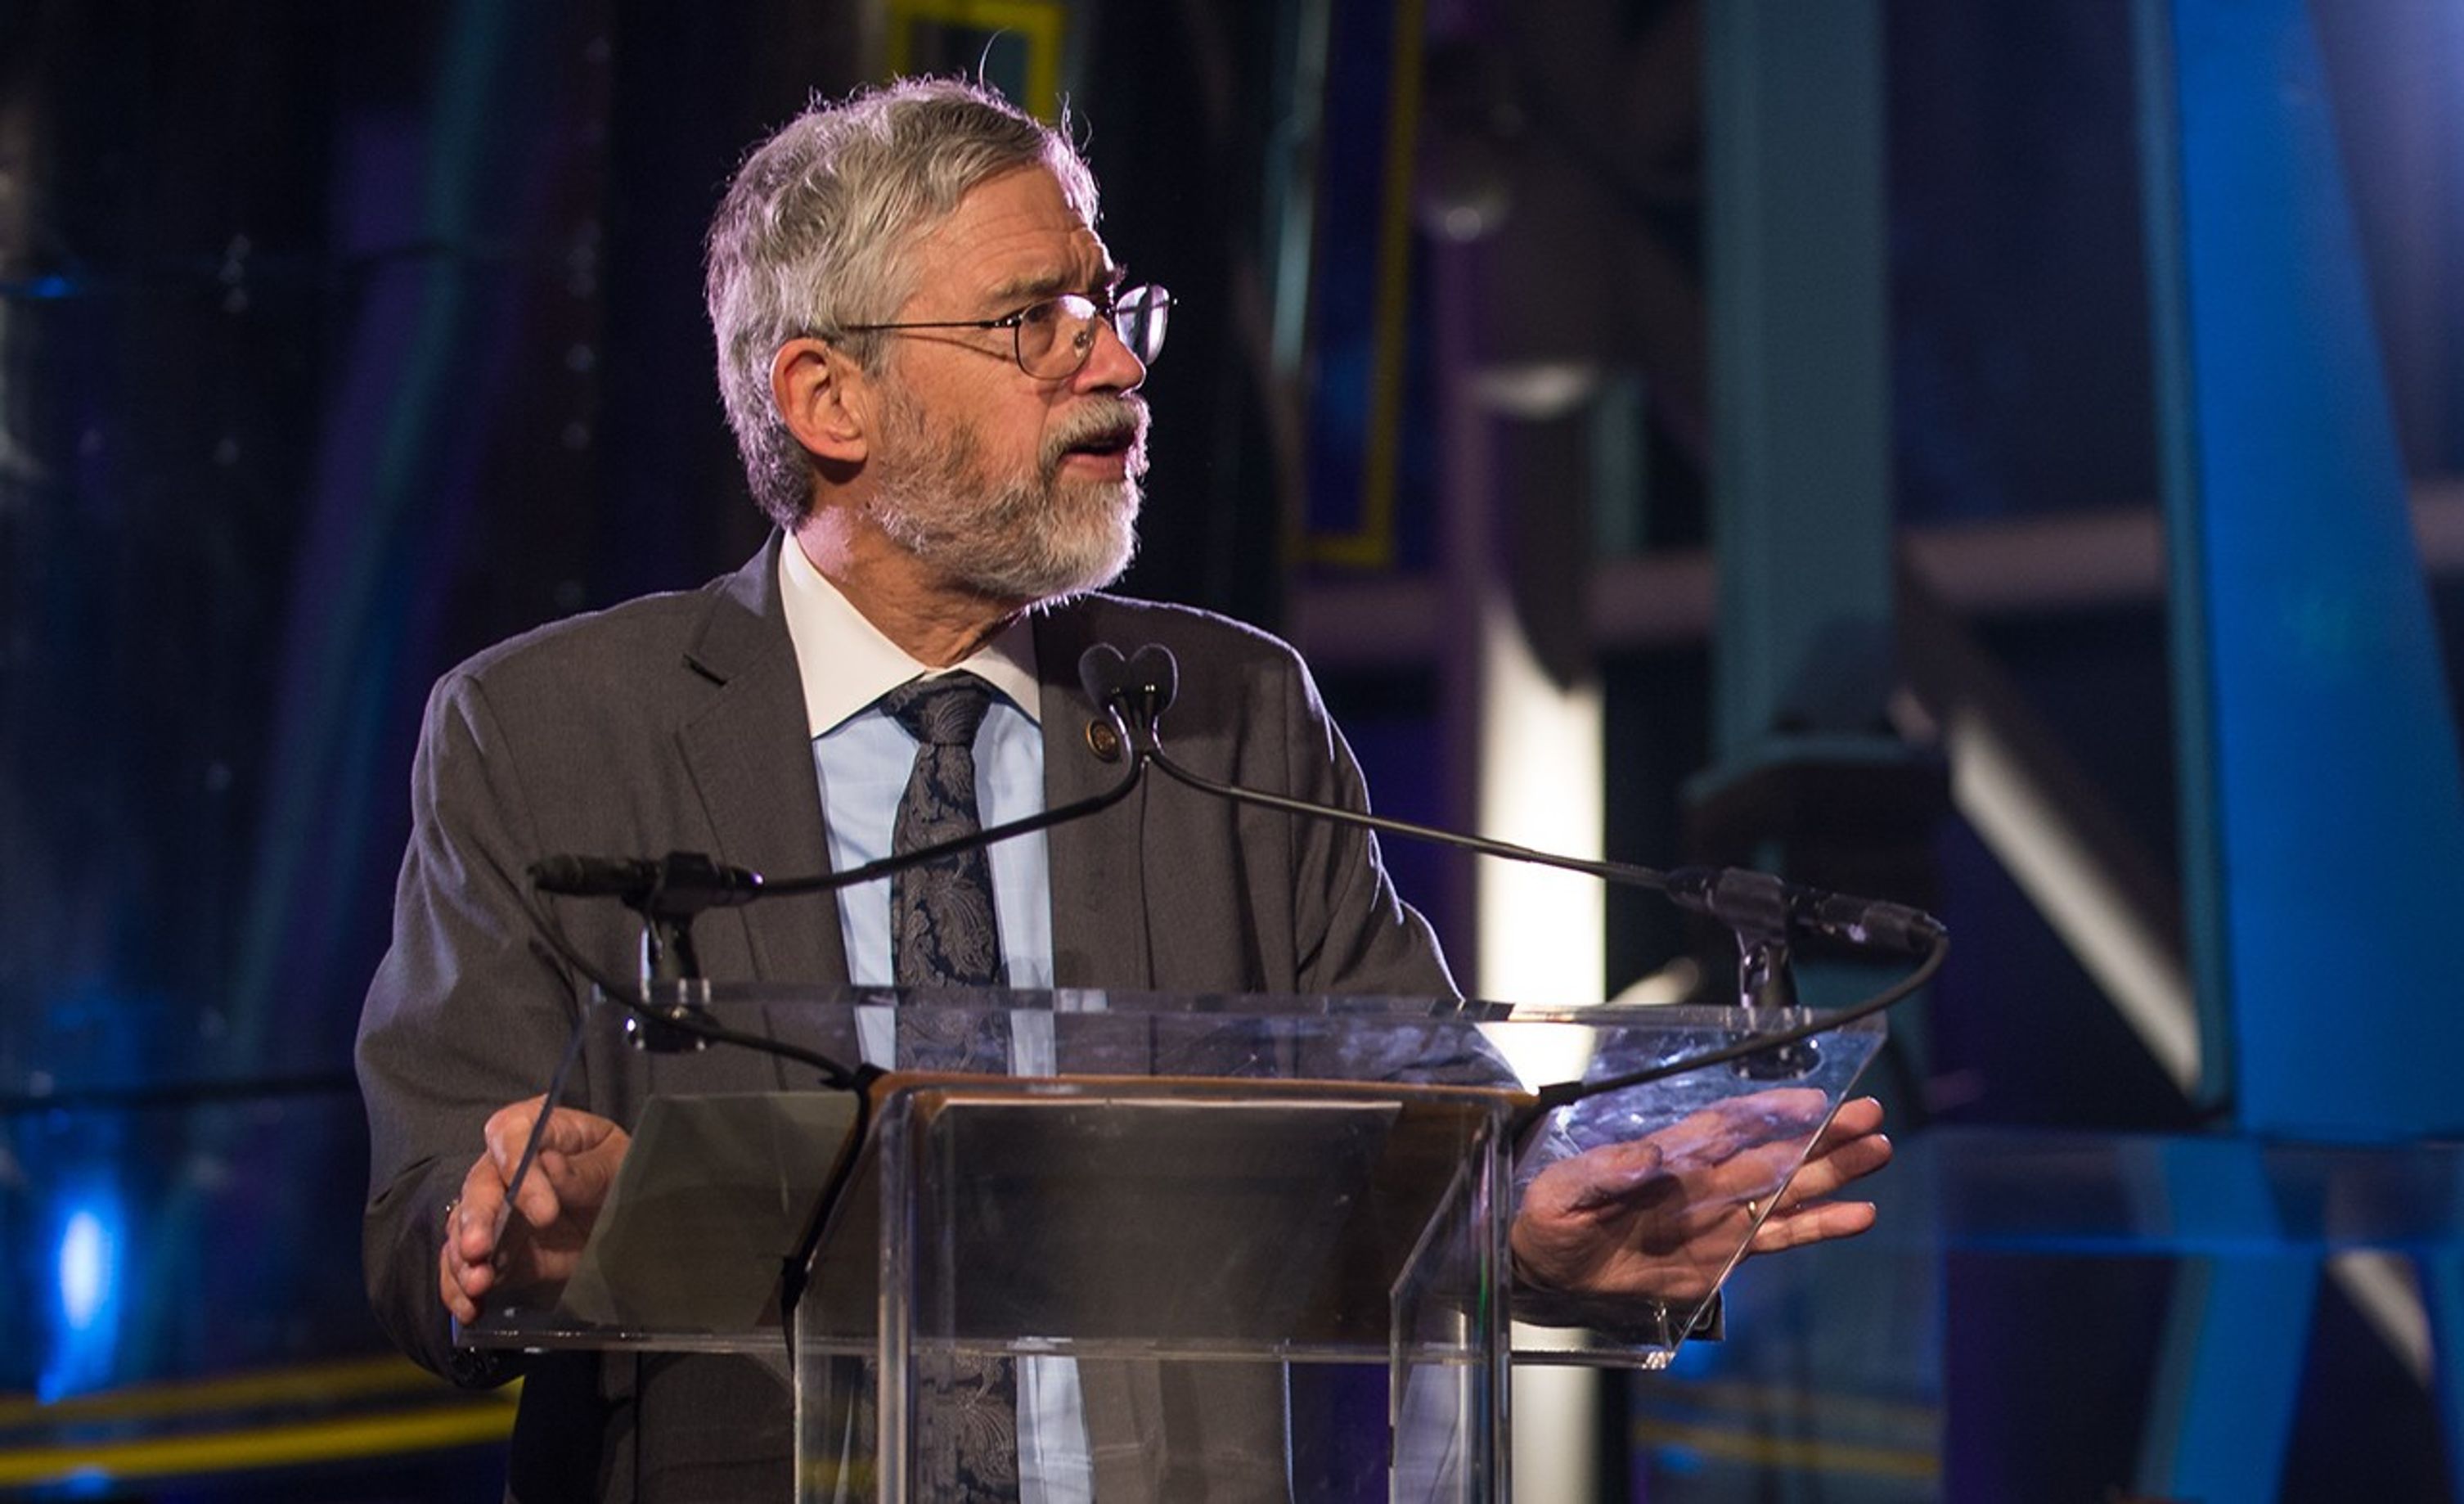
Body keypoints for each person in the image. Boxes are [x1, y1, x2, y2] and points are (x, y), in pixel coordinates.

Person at [355, 76, 1891, 1502]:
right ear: (830, 400)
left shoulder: (1230, 716)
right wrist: (510, 1237)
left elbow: (1436, 1139)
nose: (1114, 362)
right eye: (1035, 321)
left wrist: (1533, 1227)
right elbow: (425, 1218)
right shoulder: (545, 732)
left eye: (1109, 302)